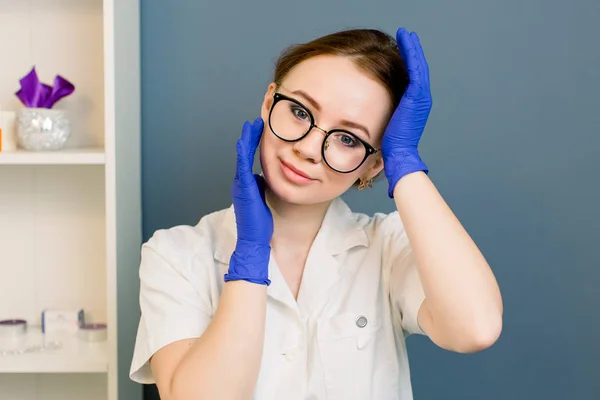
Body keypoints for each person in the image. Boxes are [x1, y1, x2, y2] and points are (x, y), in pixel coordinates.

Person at [129, 27, 503, 400]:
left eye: (348, 138)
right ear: (269, 100)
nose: (308, 148)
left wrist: (403, 162)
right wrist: (250, 257)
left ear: (373, 166)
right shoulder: (175, 254)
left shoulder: (388, 246)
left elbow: (475, 329)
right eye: (298, 111)